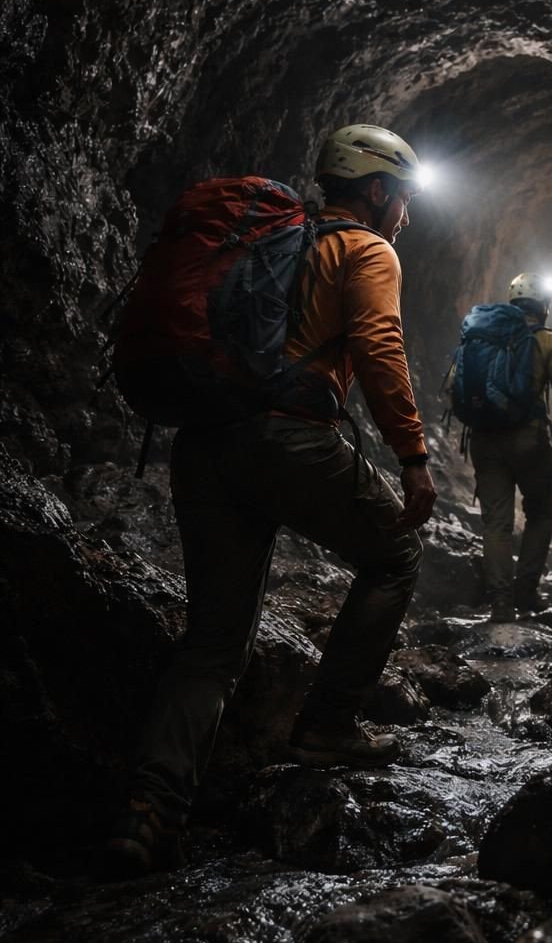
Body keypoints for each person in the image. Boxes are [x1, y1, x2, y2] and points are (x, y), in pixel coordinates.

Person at [105, 124, 436, 877]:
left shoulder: (274, 244)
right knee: (394, 556)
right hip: (289, 440)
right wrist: (412, 457)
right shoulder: (364, 250)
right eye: (405, 199)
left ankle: (149, 809)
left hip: (205, 444)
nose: (407, 217)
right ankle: (326, 724)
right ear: (379, 190)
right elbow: (381, 347)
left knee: (214, 644)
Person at [460, 273, 552, 621]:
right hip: (527, 439)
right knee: (540, 513)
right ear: (543, 305)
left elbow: (452, 385)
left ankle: (501, 602)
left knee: (496, 524)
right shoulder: (550, 342)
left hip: (484, 438)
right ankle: (526, 591)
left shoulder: (483, 335)